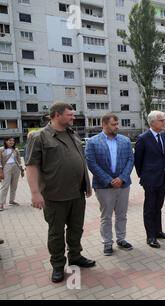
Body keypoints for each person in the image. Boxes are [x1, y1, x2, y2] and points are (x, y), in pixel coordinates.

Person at [25, 102, 95, 283]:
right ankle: (57, 265)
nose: (73, 117)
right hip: (54, 196)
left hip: (77, 194)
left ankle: (75, 256)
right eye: (69, 114)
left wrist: (86, 185)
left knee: (76, 229)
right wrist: (35, 193)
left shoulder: (73, 134)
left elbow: (80, 160)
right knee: (56, 233)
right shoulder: (39, 137)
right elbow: (31, 166)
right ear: (56, 115)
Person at [85, 113, 134, 256]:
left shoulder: (125, 141)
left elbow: (131, 160)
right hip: (103, 186)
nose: (117, 127)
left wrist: (122, 178)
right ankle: (107, 243)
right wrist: (109, 180)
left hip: (123, 185)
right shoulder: (93, 142)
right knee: (106, 216)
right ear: (104, 125)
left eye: (117, 124)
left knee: (122, 214)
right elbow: (91, 163)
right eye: (114, 124)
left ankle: (121, 239)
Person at [134, 111, 165, 249]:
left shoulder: (164, 136)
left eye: (164, 120)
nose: (164, 122)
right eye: (161, 120)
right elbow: (137, 161)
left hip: (162, 178)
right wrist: (144, 176)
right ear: (152, 122)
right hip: (150, 179)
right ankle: (150, 236)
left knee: (158, 206)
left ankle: (158, 231)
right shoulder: (143, 138)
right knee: (150, 208)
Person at [0, 137, 24, 211]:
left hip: (15, 168)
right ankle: (1, 203)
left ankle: (12, 200)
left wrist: (21, 169)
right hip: (6, 167)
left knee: (14, 185)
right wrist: (0, 171)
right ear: (6, 141)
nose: (12, 142)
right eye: (10, 140)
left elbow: (19, 159)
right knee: (5, 186)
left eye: (13, 141)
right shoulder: (1, 149)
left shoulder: (15, 149)